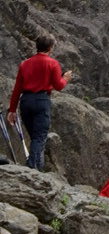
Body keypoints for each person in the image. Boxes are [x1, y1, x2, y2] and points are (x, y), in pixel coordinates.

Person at [7, 35, 72, 172]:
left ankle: (38, 169)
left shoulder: (25, 64)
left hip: (25, 101)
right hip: (41, 100)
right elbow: (58, 85)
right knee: (39, 137)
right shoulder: (52, 64)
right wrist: (65, 79)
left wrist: (12, 110)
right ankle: (32, 168)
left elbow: (17, 89)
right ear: (50, 48)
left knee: (35, 138)